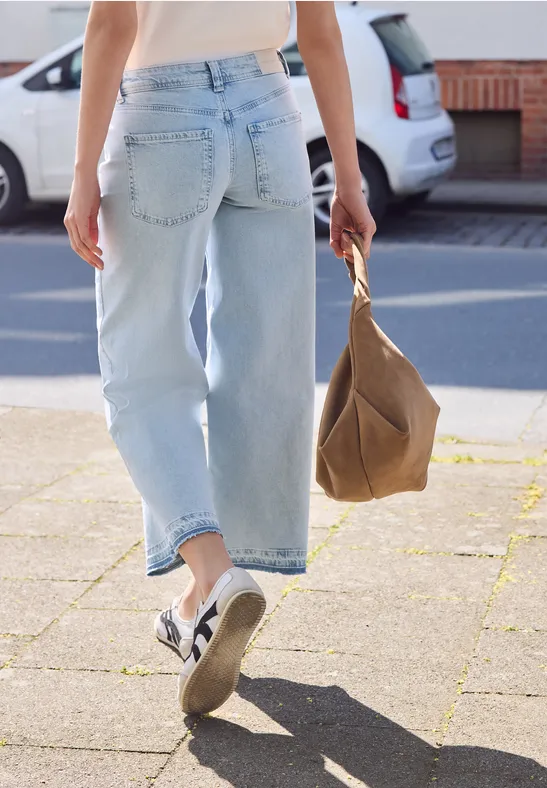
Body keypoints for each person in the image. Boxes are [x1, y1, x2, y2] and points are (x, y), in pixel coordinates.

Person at [65, 0, 376, 716]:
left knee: (141, 366)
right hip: (270, 112)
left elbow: (113, 21)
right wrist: (349, 182)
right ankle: (203, 598)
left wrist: (84, 172)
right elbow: (319, 29)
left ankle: (213, 569)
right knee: (262, 363)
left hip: (163, 115)